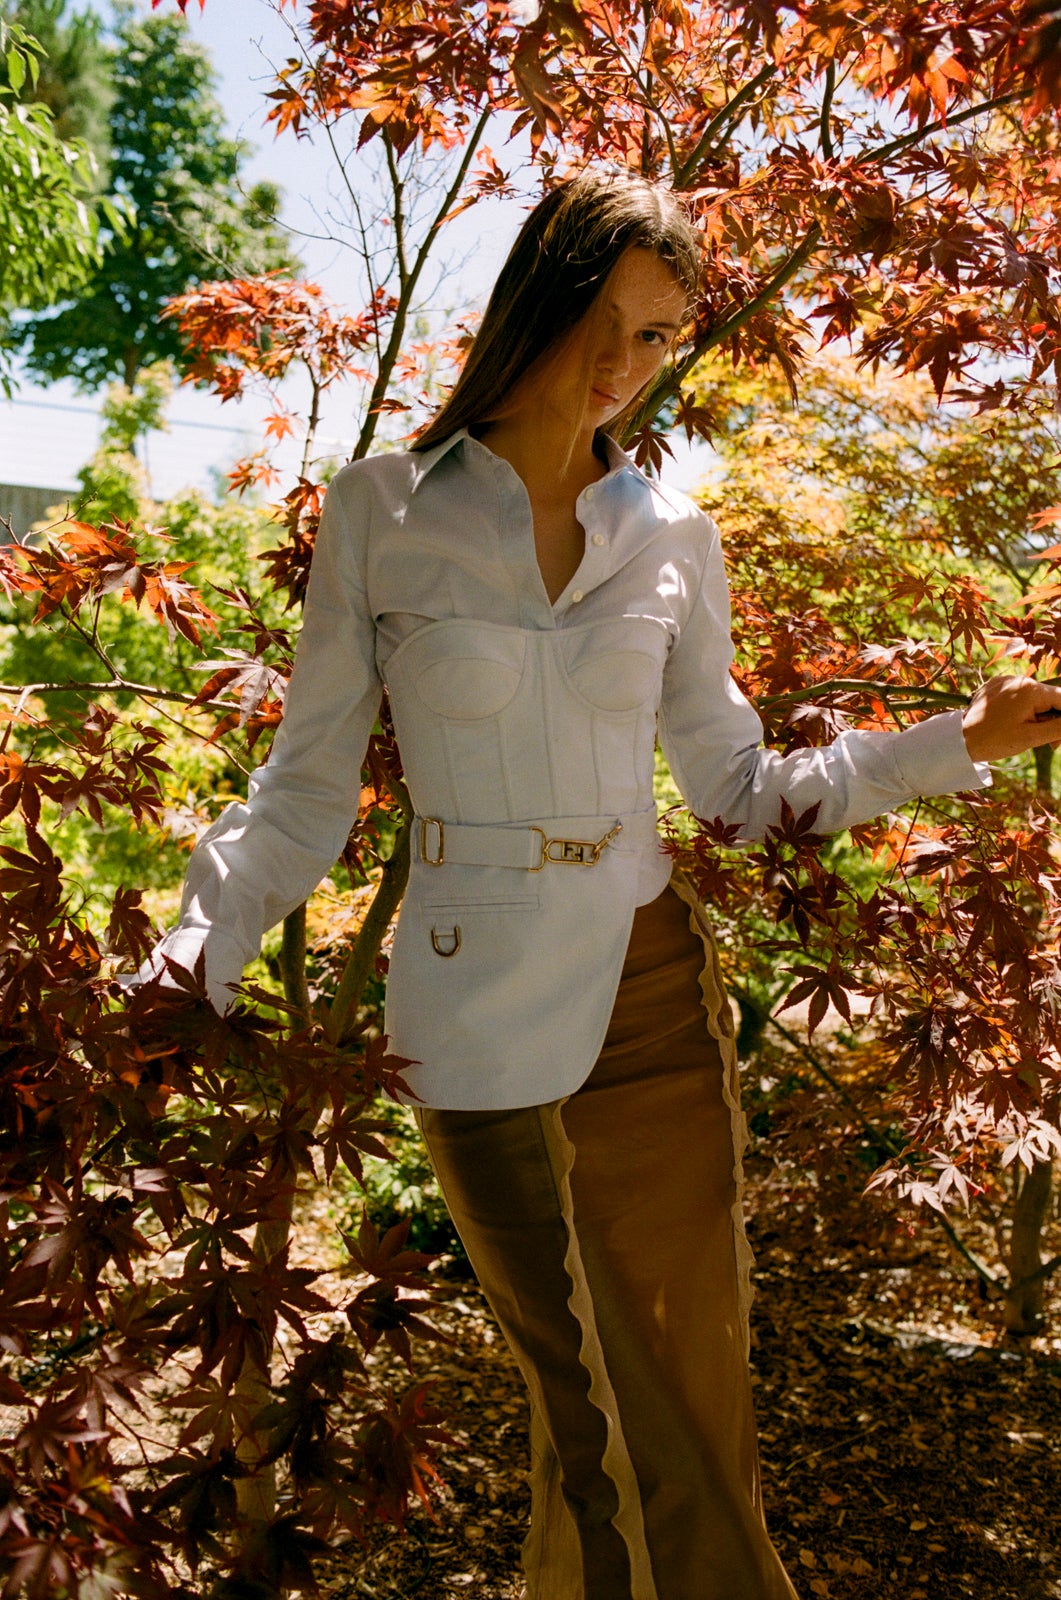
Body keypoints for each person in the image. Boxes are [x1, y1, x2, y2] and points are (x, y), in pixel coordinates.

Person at [141, 168, 1061, 1599]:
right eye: (608, 325)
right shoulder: (384, 508)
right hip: (474, 1013)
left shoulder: (671, 533)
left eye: (658, 338)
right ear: (538, 304)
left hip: (651, 996)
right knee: (596, 1415)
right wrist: (194, 948)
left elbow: (741, 791)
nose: (625, 367)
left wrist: (961, 741)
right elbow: (305, 791)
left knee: (690, 1404)